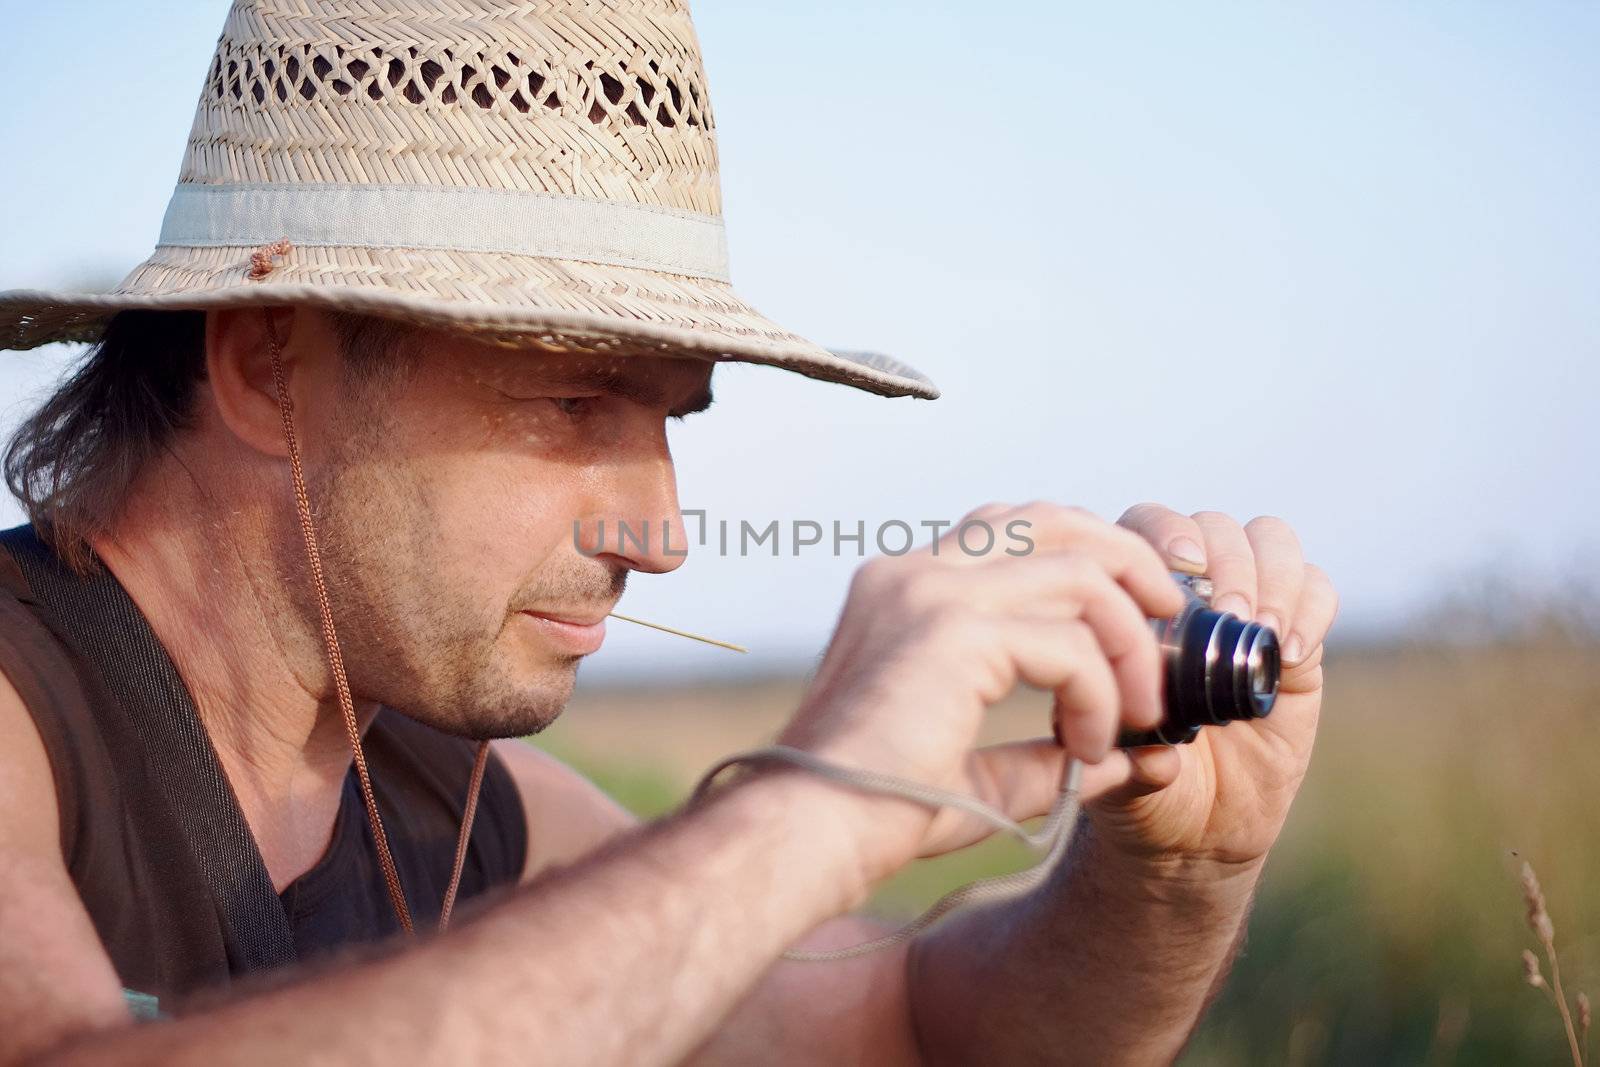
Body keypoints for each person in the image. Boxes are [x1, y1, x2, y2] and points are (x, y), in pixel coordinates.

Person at [0, 1, 1338, 1064]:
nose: (662, 535)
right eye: (572, 399)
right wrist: (815, 808)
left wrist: (1179, 872)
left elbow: (910, 1039)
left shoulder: (453, 798)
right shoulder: (25, 715)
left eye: (670, 418)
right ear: (269, 371)